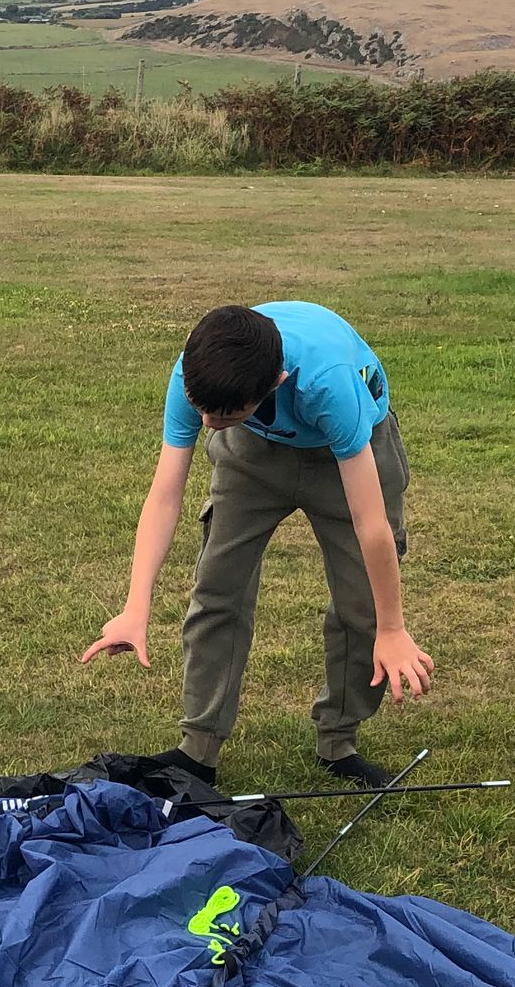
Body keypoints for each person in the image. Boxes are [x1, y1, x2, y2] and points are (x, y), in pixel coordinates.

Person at [81, 299, 433, 786]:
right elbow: (165, 495)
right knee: (217, 589)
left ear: (275, 384)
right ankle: (198, 746)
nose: (205, 424)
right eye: (202, 411)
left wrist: (392, 628)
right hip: (252, 451)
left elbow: (370, 523)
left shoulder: (328, 384)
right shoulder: (201, 377)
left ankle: (338, 739)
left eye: (221, 414)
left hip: (346, 452)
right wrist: (135, 606)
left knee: (363, 607)